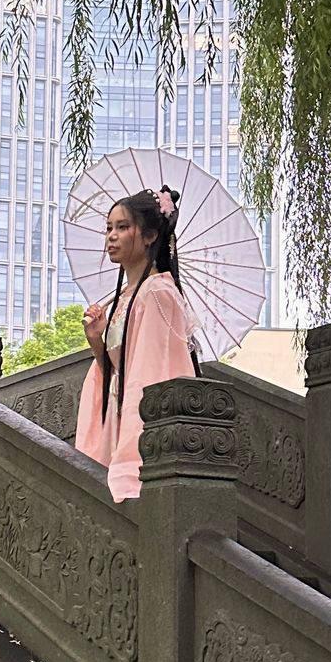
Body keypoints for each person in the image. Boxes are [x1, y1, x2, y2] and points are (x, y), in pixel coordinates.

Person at [75, 185, 199, 501]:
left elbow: (148, 376)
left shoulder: (157, 293)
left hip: (136, 420)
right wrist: (96, 340)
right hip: (116, 416)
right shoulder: (128, 296)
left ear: (149, 236)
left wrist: (130, 460)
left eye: (122, 227)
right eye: (108, 228)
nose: (111, 237)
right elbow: (118, 370)